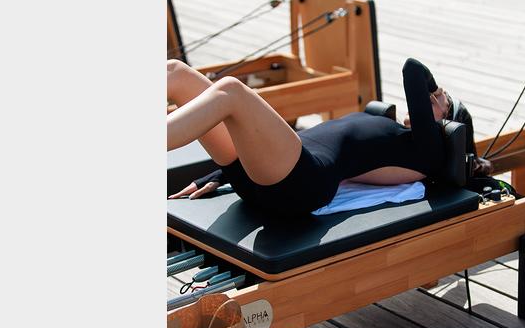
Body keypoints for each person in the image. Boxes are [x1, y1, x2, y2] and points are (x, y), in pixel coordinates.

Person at [167, 58, 491, 215]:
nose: (434, 97)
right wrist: (221, 174)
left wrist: (433, 88)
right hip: (267, 173)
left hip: (302, 181)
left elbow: (413, 69)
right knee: (176, 72)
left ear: (447, 126)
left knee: (231, 92)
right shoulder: (395, 131)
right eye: (435, 94)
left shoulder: (428, 154)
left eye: (442, 100)